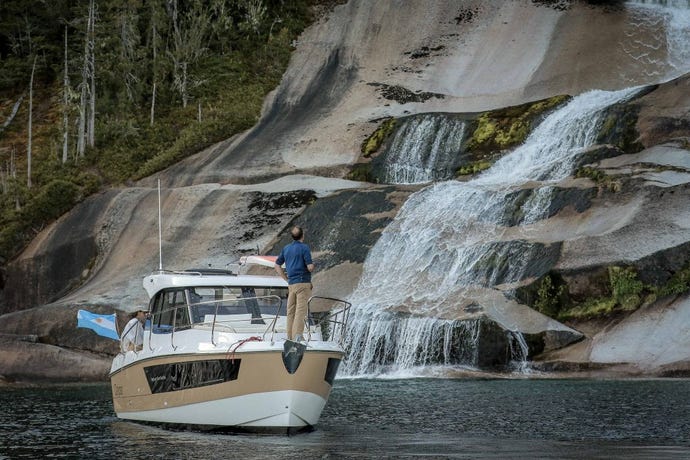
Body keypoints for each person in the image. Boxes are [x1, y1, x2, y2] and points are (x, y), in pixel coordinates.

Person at [275, 226, 315, 341]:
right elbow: (310, 267)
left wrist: (286, 279)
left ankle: (289, 337)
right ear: (303, 235)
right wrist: (313, 265)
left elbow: (277, 265)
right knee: (301, 311)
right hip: (303, 283)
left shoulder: (286, 248)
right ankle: (297, 337)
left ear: (292, 237)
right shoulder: (304, 248)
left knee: (291, 311)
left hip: (291, 284)